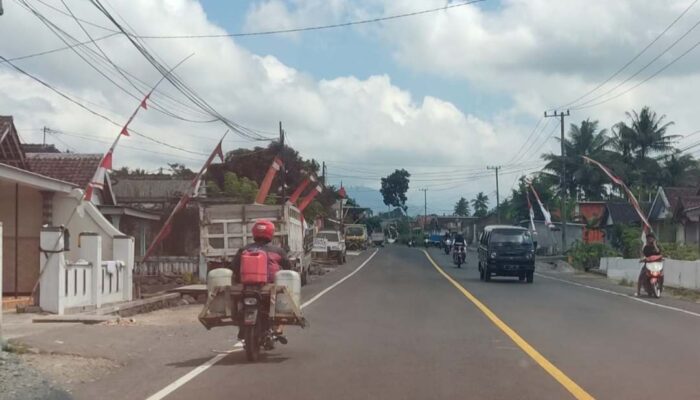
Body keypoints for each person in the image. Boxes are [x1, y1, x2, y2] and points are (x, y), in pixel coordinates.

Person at [232, 219, 291, 342]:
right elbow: (288, 267)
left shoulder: (244, 249)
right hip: (269, 287)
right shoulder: (278, 251)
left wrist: (238, 279)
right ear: (271, 233)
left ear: (254, 233)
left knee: (237, 305)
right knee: (278, 307)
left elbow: (234, 267)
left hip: (246, 287)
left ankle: (241, 327)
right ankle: (277, 328)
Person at [636, 232, 661, 297]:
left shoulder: (657, 246)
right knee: (641, 276)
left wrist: (655, 245)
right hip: (648, 264)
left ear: (654, 239)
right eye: (648, 238)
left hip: (657, 264)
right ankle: (638, 291)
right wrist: (642, 259)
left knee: (662, 274)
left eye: (651, 238)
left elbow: (658, 252)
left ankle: (661, 285)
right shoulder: (646, 247)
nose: (650, 239)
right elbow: (643, 256)